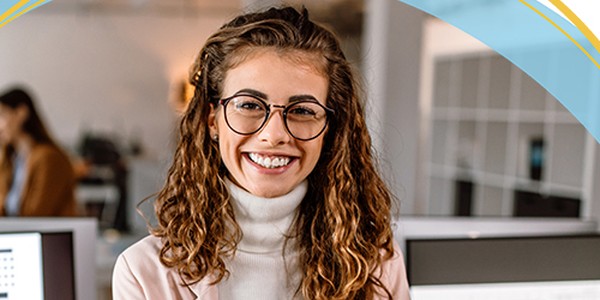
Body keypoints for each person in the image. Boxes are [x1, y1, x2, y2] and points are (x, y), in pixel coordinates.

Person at [112, 6, 410, 300]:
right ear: (212, 120)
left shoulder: (375, 262)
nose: (274, 135)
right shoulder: (142, 273)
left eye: (303, 110)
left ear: (331, 129)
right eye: (250, 105)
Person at [0, 87, 78, 216]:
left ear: (21, 113)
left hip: (44, 235)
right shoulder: (12, 160)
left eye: (2, 115)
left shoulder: (49, 158)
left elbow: (37, 215)